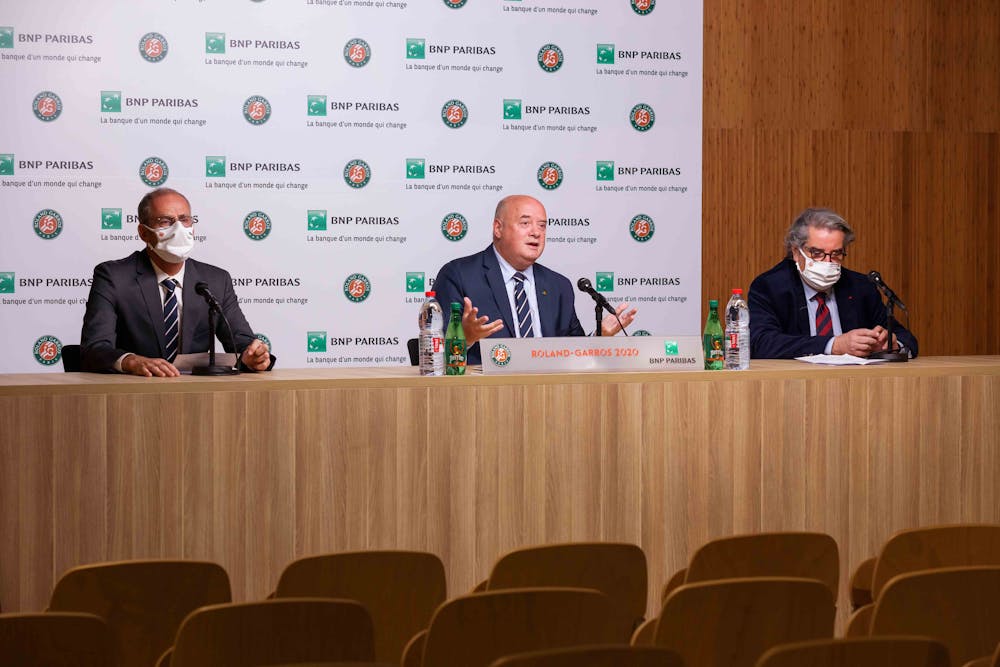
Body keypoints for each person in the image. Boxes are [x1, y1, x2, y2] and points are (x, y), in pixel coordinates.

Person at [80, 188, 274, 376]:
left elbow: (242, 344)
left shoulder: (215, 280)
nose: (178, 228)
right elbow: (95, 348)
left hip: (195, 396)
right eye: (165, 221)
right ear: (144, 233)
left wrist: (255, 356)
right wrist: (131, 361)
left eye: (184, 219)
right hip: (133, 393)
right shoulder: (113, 277)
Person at [433, 194, 637, 365]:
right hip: (483, 398)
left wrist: (599, 338)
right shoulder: (459, 275)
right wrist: (464, 339)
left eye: (542, 226)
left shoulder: (558, 286)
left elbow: (572, 355)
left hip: (549, 397)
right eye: (525, 223)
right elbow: (434, 356)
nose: (536, 232)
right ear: (498, 228)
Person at [748, 207, 918, 359]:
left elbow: (906, 338)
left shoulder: (860, 287)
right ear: (796, 252)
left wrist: (893, 345)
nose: (827, 262)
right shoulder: (770, 286)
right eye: (817, 253)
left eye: (836, 254)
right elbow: (761, 343)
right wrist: (833, 345)